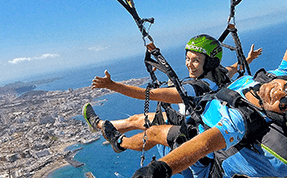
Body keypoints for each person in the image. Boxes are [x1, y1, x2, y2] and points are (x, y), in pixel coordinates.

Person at [123, 0, 287, 178]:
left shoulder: (240, 120)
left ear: (278, 116)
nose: (276, 92)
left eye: (282, 104)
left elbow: (205, 144)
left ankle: (121, 143)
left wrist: (159, 170)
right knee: (160, 120)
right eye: (286, 88)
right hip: (208, 131)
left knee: (158, 131)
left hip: (211, 177)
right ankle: (125, 138)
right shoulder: (278, 76)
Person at [83, 38, 262, 153]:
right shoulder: (218, 73)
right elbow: (234, 68)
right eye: (188, 58)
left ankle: (119, 142)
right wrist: (249, 59)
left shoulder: (195, 88)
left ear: (208, 63)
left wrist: (112, 85)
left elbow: (147, 95)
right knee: (136, 119)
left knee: (142, 126)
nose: (189, 64)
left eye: (195, 61)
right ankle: (99, 125)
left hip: (184, 124)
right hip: (191, 117)